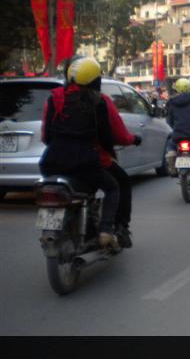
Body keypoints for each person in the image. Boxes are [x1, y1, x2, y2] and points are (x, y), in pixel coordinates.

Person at [40, 57, 141, 250]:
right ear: (95, 79)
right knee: (115, 186)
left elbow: (46, 135)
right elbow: (109, 136)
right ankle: (107, 230)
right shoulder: (99, 101)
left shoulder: (54, 98)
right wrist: (128, 141)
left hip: (51, 162)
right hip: (86, 161)